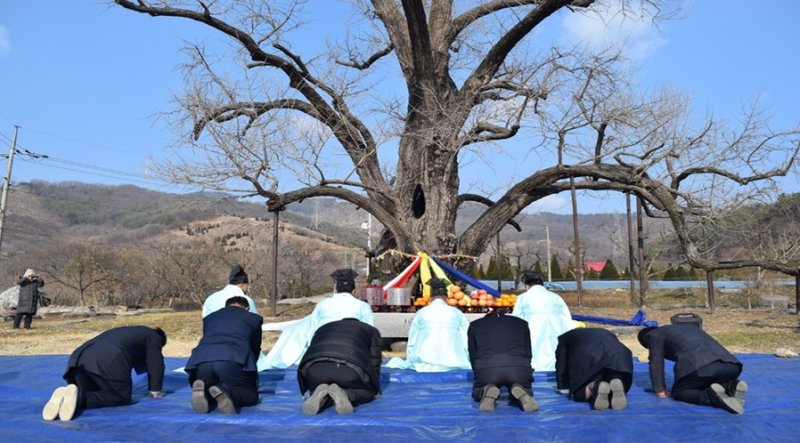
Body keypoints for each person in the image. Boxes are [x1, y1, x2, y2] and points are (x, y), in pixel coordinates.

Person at [42, 326, 167, 421]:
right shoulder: (154, 337)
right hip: (106, 360)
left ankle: (66, 395)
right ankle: (80, 399)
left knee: (95, 392)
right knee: (120, 397)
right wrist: (155, 390)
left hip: (77, 361)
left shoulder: (131, 332)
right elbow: (155, 362)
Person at [263, 268, 374, 369]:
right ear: (354, 290)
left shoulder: (323, 305)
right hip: (353, 354)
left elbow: (312, 330)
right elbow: (370, 334)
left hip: (322, 351)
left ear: (335, 289)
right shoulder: (363, 307)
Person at [638, 324, 747, 414]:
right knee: (707, 382)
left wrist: (660, 390)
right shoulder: (687, 327)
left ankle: (711, 397)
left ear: (646, 340)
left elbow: (656, 362)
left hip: (703, 368)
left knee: (680, 392)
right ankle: (731, 386)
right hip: (732, 366)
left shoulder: (653, 335)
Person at [185, 295, 263, 414]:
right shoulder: (253, 319)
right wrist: (250, 374)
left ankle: (205, 393)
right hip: (232, 359)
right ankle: (227, 392)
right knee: (250, 396)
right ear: (247, 309)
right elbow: (254, 348)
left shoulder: (210, 318)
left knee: (212, 385)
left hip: (201, 361)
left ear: (225, 307)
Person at [298, 318, 382, 415]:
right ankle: (346, 394)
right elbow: (375, 361)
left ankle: (322, 394)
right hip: (348, 369)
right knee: (368, 392)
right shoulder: (370, 330)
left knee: (321, 386)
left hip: (313, 369)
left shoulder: (324, 327)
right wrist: (375, 386)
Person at [386, 278, 471, 371]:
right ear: (447, 298)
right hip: (454, 361)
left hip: (424, 362)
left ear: (431, 298)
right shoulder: (456, 313)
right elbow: (466, 337)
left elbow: (413, 340)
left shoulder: (422, 313)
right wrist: (467, 356)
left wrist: (411, 358)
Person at [468, 310, 537, 412]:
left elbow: (473, 354)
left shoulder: (475, 325)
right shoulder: (522, 323)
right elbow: (528, 352)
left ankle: (486, 390)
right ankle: (521, 389)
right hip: (518, 368)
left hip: (488, 369)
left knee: (478, 390)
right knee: (522, 385)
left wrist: (478, 372)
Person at [202, 264, 268, 371]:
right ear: (242, 285)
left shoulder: (210, 298)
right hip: (237, 351)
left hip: (209, 350)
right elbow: (255, 326)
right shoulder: (245, 300)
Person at [555, 328, 633, 410]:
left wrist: (563, 387)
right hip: (620, 355)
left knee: (579, 394)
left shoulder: (564, 338)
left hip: (590, 356)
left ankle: (595, 386)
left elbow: (561, 363)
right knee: (612, 372)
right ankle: (616, 378)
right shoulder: (608, 333)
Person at [511, 271, 575, 372]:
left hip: (532, 336)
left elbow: (515, 321)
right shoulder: (556, 298)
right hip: (556, 336)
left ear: (527, 286)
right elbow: (567, 320)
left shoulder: (522, 298)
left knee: (534, 359)